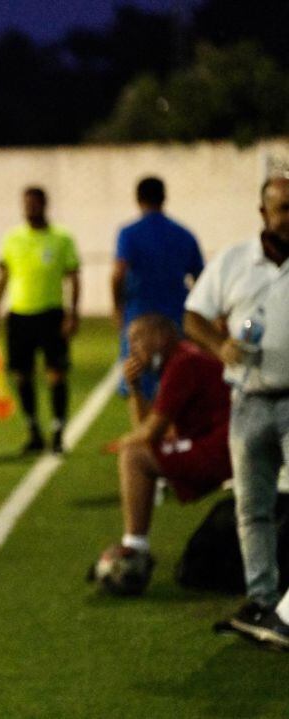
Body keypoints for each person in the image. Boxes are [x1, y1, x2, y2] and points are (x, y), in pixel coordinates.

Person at [184, 176, 289, 651]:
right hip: (247, 402)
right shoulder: (233, 260)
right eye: (281, 208)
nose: (288, 217)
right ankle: (262, 601)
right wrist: (217, 344)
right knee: (252, 507)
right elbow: (193, 316)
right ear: (263, 212)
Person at [92, 314, 232, 595]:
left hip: (222, 448)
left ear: (160, 337)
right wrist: (134, 388)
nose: (132, 349)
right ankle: (135, 546)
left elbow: (148, 434)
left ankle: (134, 550)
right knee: (138, 451)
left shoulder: (183, 363)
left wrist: (122, 443)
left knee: (133, 456)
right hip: (219, 443)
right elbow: (149, 430)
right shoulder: (178, 362)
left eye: (137, 339)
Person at [0, 187, 80, 455]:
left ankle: (59, 431)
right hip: (19, 316)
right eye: (25, 203)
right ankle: (34, 432)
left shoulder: (61, 238)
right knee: (21, 376)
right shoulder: (13, 238)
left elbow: (73, 276)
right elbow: (3, 276)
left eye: (34, 204)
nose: (29, 208)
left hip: (51, 314)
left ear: (44, 205)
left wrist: (73, 313)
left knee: (56, 374)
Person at [111, 177, 204, 398]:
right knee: (175, 380)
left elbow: (118, 274)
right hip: (175, 317)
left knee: (137, 381)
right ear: (164, 197)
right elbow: (201, 278)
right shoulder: (183, 233)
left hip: (139, 317)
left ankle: (145, 430)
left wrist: (117, 308)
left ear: (138, 198)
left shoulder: (129, 233)